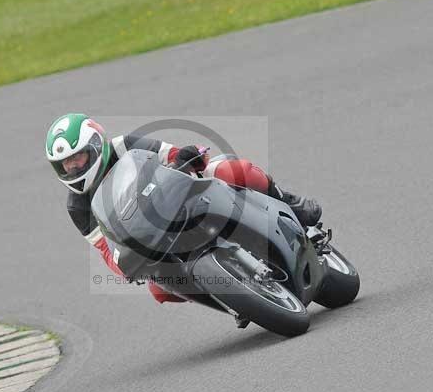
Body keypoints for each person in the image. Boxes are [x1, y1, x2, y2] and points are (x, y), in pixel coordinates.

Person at [45, 113, 321, 303]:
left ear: (96, 145)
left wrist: (191, 157)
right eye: (65, 164)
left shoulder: (124, 145)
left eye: (78, 157)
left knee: (232, 170)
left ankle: (289, 203)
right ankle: (231, 298)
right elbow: (105, 249)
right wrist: (123, 265)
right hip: (151, 238)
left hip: (182, 196)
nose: (73, 168)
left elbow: (175, 155)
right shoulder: (77, 206)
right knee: (159, 290)